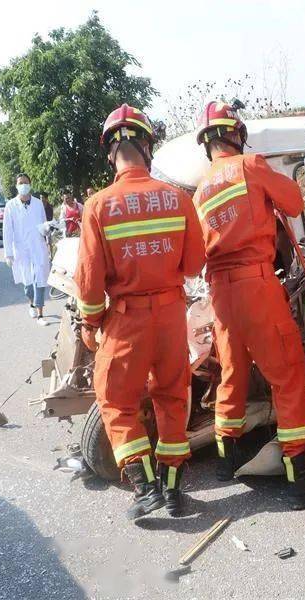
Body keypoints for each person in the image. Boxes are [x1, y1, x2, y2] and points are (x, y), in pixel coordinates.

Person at [192, 100, 305, 511]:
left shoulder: (200, 190)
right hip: (255, 282)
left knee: (232, 369)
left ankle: (225, 458)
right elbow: (294, 204)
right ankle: (300, 476)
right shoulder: (250, 166)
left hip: (220, 291)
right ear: (236, 134)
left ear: (206, 143)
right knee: (287, 376)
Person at [74, 104, 204, 519]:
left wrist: (91, 324)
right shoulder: (178, 198)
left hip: (126, 319)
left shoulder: (97, 206)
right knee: (171, 400)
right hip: (171, 316)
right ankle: (172, 491)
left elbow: (90, 283)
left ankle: (144, 488)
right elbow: (194, 265)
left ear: (111, 152)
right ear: (146, 146)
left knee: (116, 402)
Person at [3, 173, 50, 326]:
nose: (23, 185)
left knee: (40, 279)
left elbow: (44, 225)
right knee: (27, 280)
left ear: (30, 184)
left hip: (37, 246)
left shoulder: (38, 203)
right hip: (21, 248)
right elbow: (7, 230)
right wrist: (8, 253)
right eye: (20, 182)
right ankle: (31, 303)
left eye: (26, 182)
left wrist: (48, 231)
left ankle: (41, 315)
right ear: (16, 186)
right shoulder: (10, 205)